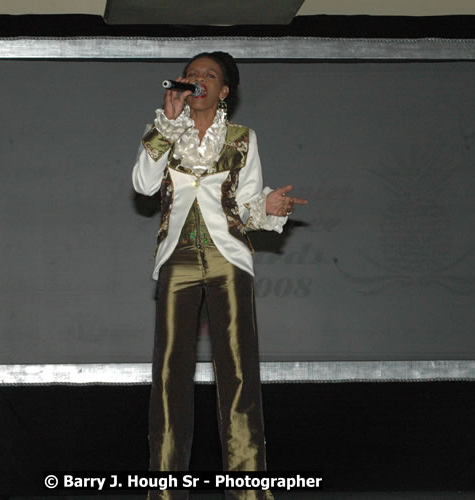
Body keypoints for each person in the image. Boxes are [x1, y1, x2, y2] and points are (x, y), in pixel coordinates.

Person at [132, 51, 307, 500]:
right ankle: (165, 490)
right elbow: (144, 185)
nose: (198, 79)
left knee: (238, 372)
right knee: (170, 374)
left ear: (224, 90)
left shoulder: (242, 138)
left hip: (227, 257)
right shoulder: (165, 131)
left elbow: (244, 207)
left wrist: (266, 208)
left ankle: (248, 490)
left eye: (209, 75)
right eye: (192, 74)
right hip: (178, 258)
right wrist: (165, 125)